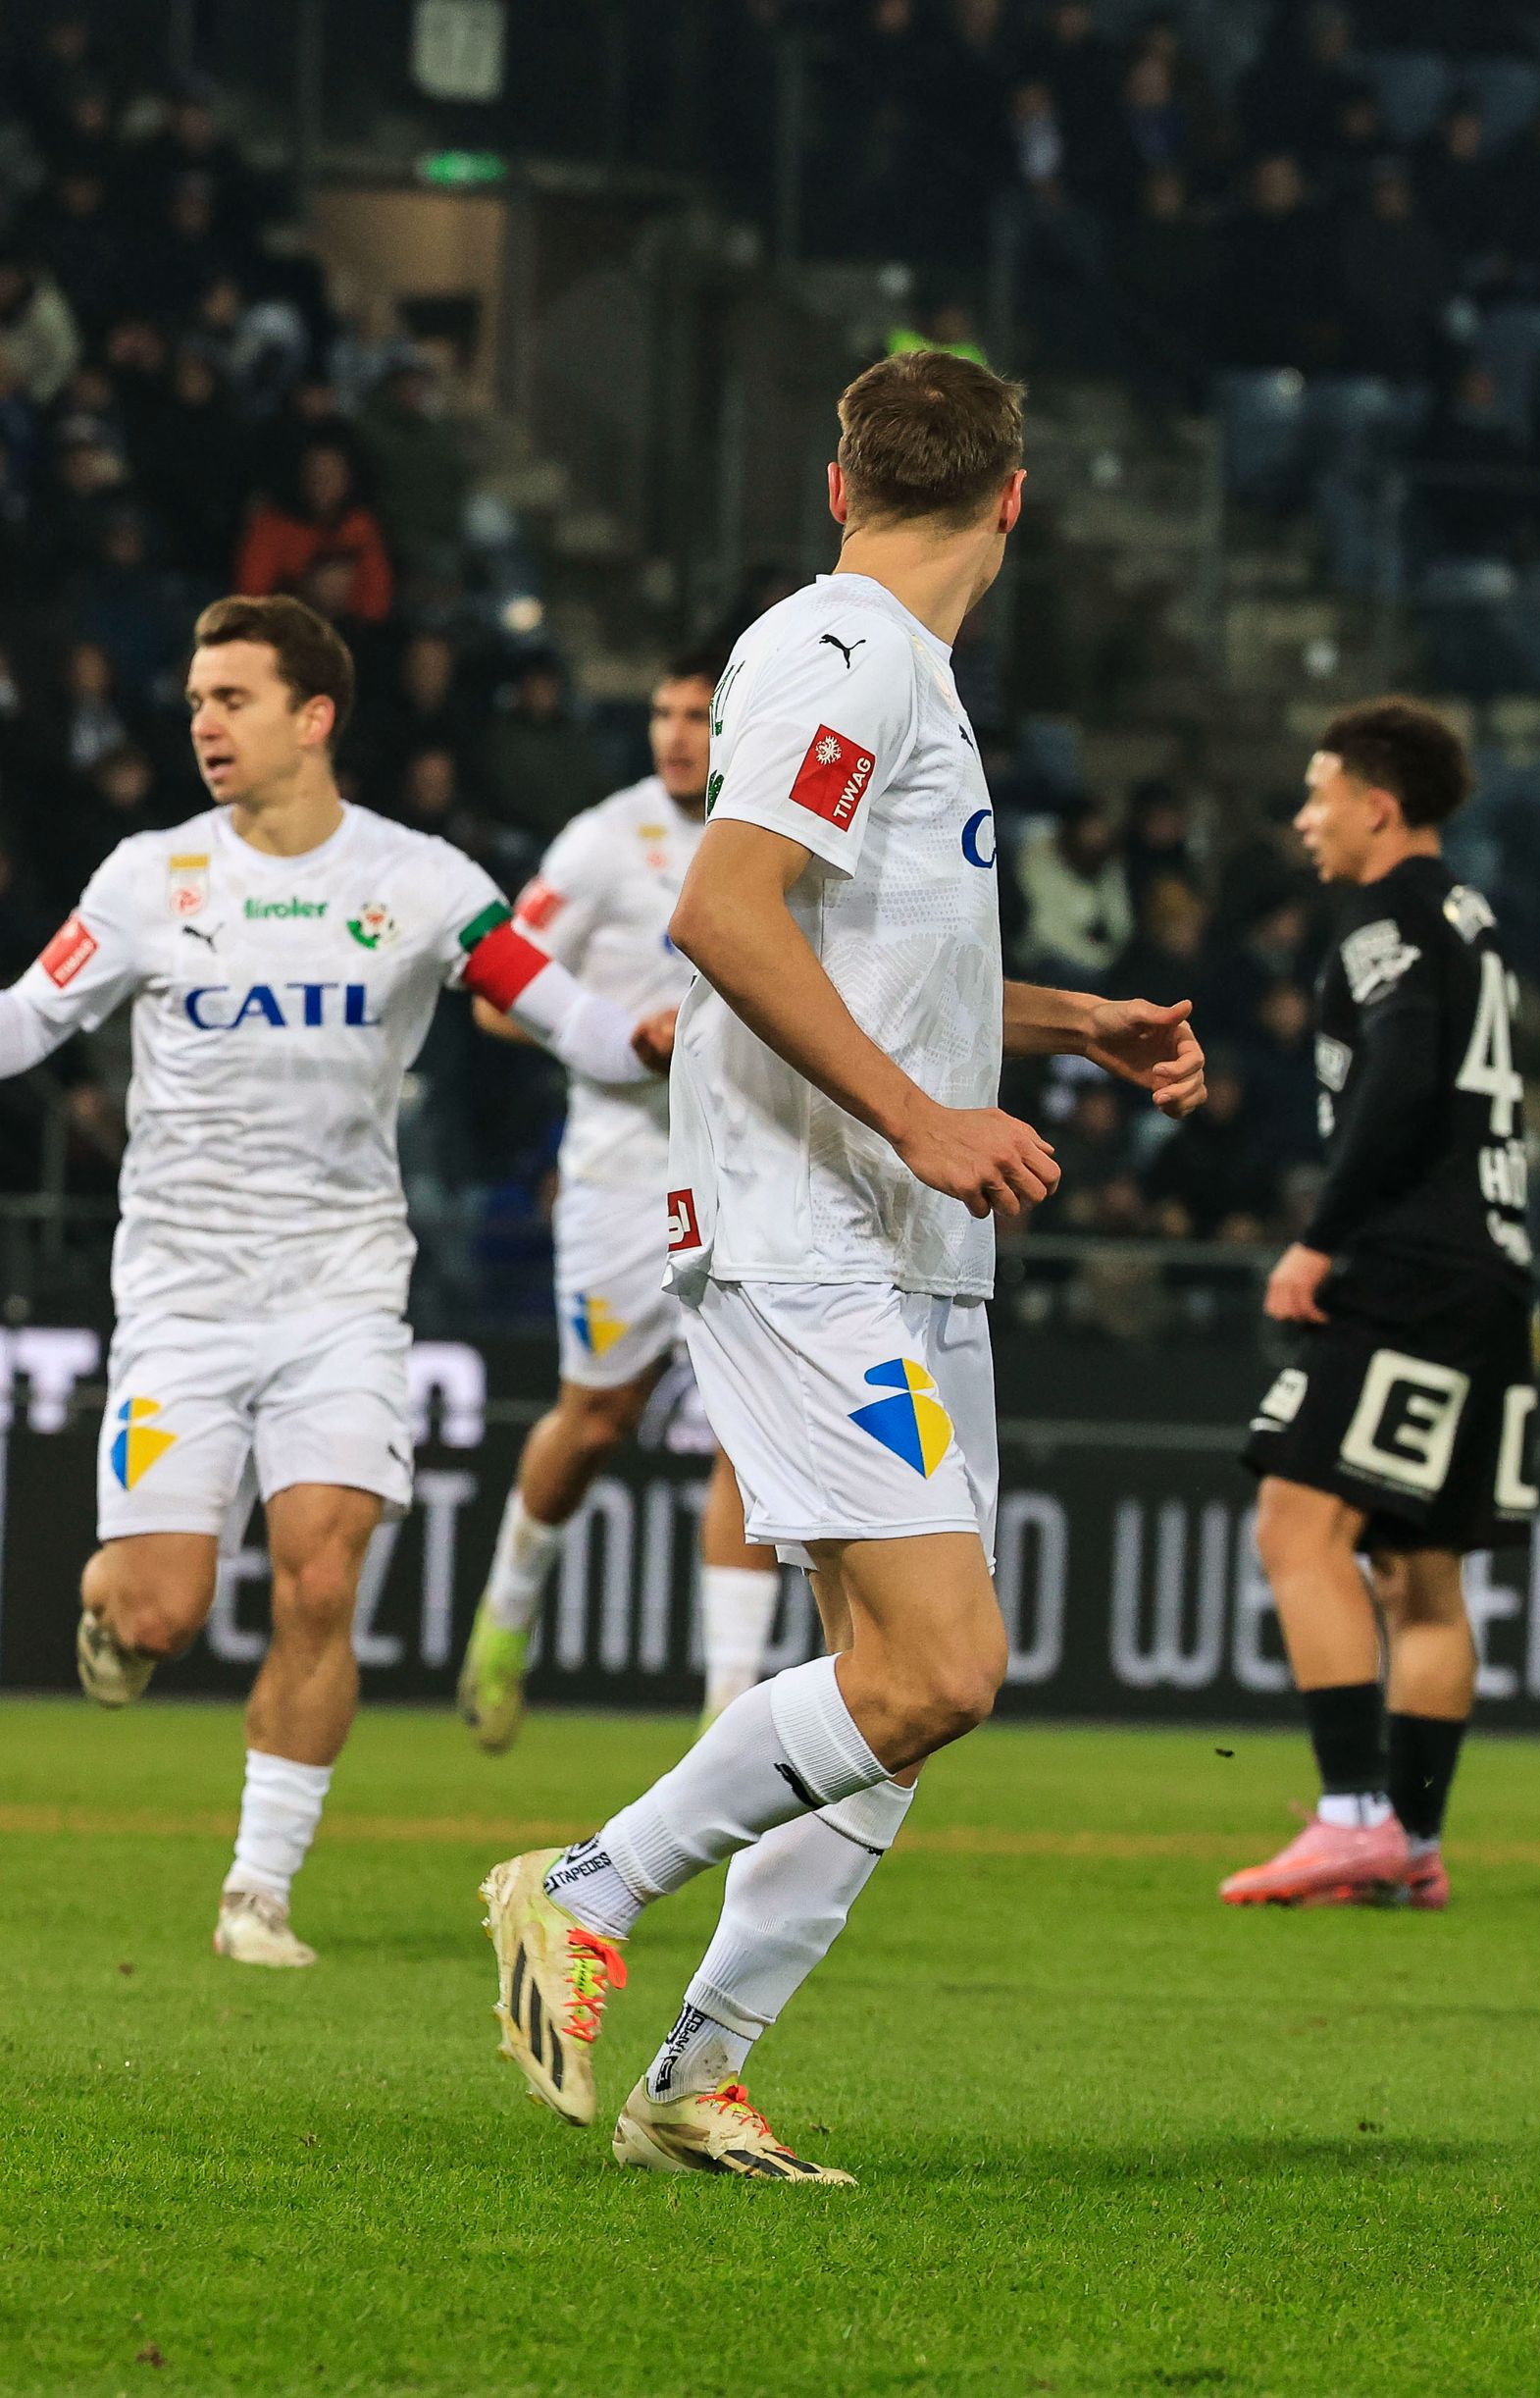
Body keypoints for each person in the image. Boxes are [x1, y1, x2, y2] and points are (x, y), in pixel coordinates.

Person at [475, 353, 1206, 2182]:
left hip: (902, 1238)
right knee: (945, 1663)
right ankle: (585, 1880)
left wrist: (1055, 1025)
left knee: (884, 1699)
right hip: (812, 1225)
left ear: (835, 480)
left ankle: (698, 2071)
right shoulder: (849, 648)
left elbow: (868, 957)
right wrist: (924, 1115)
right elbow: (724, 912)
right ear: (1016, 500)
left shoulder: (894, 670)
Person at [49, 596, 667, 1966]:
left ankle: (256, 1892)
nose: (204, 722)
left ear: (314, 716)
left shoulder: (425, 882)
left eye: (233, 699)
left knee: (323, 1578)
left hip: (342, 1297)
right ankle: (113, 1615)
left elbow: (574, 1023)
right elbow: (26, 1016)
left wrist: (689, 1033)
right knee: (162, 1604)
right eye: (198, 700)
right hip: (183, 1302)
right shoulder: (149, 878)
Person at [1218, 699, 1538, 1913]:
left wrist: (1320, 1236)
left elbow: (1400, 1073)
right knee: (1422, 1574)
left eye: (1319, 793)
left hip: (1408, 1268)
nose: (1306, 818)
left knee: (1297, 1529)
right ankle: (1411, 1838)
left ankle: (1353, 1814)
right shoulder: (1474, 915)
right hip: (1493, 1270)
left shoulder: (1384, 917)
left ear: (1377, 805)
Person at [455, 647, 786, 1748]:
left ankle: (727, 1710)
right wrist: (609, 1038)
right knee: (594, 1416)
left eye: (698, 713)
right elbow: (497, 996)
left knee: (751, 1427)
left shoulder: (785, 831)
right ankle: (506, 1614)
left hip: (748, 1163)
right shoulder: (603, 840)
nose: (677, 732)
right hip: (622, 1171)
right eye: (663, 710)